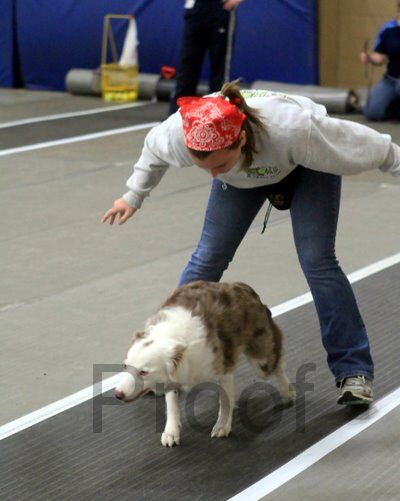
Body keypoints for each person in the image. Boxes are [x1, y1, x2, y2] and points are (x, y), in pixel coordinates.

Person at [102, 81, 400, 406]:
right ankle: (161, 360)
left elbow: (372, 146)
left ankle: (354, 371)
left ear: (241, 139)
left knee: (318, 262)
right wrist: (132, 195)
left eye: (217, 165)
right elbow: (153, 150)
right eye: (203, 168)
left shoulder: (295, 129)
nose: (212, 176)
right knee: (207, 257)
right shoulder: (180, 132)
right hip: (242, 179)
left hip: (306, 167)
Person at [168, 0, 244, 115]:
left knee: (219, 67)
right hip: (196, 8)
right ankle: (177, 115)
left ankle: (216, 116)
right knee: (187, 64)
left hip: (221, 9)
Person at [361, 2, 400, 120]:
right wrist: (369, 57)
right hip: (391, 79)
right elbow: (381, 58)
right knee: (372, 113)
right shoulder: (388, 29)